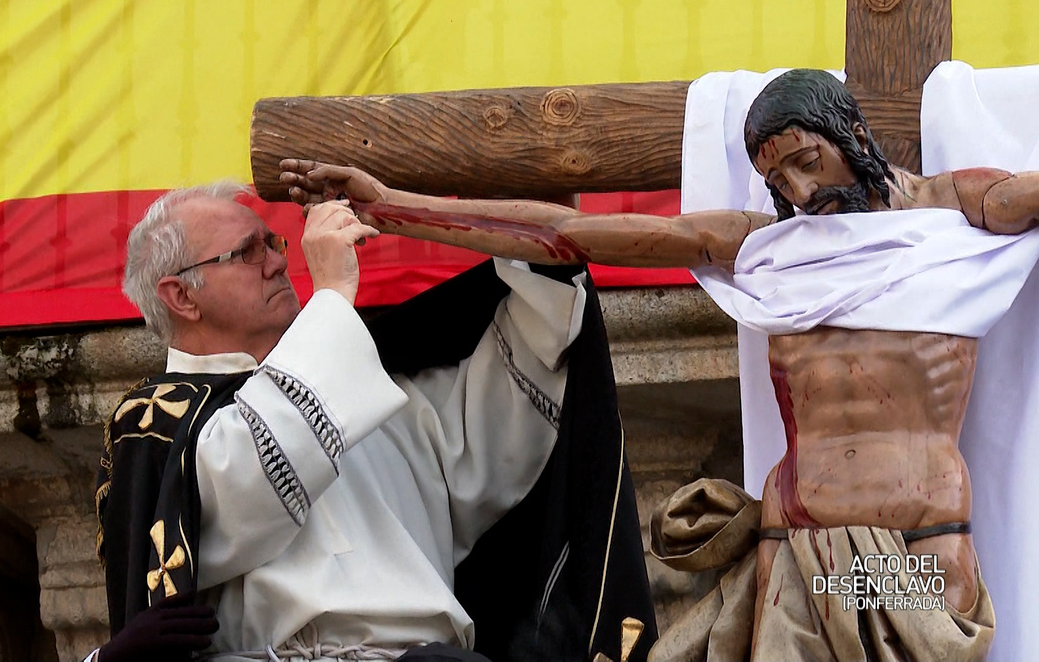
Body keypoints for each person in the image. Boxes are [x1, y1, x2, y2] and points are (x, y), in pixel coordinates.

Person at [279, 68, 1039, 661]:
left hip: (917, 545)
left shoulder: (957, 215)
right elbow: (567, 234)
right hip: (797, 550)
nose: (802, 193)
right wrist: (392, 204)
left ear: (852, 132)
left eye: (809, 162)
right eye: (780, 182)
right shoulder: (765, 245)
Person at [91, 179, 656, 662]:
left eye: (273, 242)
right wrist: (333, 296)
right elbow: (251, 481)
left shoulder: (362, 386)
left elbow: (501, 425)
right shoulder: (157, 424)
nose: (279, 261)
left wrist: (539, 250)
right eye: (247, 252)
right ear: (181, 296)